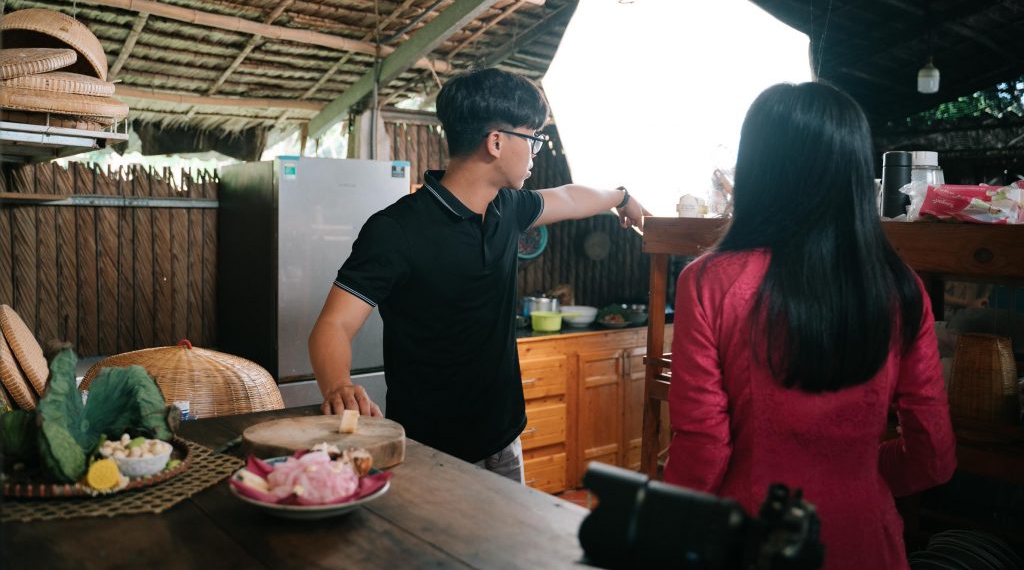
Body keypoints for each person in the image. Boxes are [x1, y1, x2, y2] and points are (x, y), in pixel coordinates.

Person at [664, 82, 956, 569]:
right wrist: (859, 473)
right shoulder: (901, 287)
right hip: (868, 540)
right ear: (855, 174)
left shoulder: (709, 282)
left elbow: (704, 451)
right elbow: (934, 458)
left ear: (757, 169)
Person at [308, 67, 649, 482]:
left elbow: (569, 198)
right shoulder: (397, 230)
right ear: (496, 142)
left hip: (505, 437)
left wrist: (622, 197)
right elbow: (333, 325)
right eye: (533, 139)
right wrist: (338, 385)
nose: (537, 152)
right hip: (432, 451)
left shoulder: (508, 208)